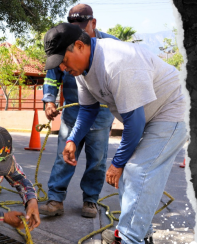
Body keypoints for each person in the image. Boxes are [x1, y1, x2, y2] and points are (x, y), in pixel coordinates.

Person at [43, 23, 187, 244]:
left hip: (172, 110)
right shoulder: (81, 70)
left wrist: (117, 163)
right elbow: (88, 110)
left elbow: (134, 121)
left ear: (80, 45)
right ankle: (140, 235)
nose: (62, 68)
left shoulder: (117, 62)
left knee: (137, 171)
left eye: (63, 60)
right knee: (135, 174)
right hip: (150, 115)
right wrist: (72, 139)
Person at [39, 4, 118, 218]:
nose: (78, 33)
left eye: (82, 27)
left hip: (101, 115)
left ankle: (90, 201)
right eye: (73, 26)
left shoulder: (111, 46)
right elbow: (52, 75)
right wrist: (49, 100)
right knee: (64, 156)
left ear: (93, 23)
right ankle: (55, 199)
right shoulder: (64, 41)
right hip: (74, 113)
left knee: (97, 160)